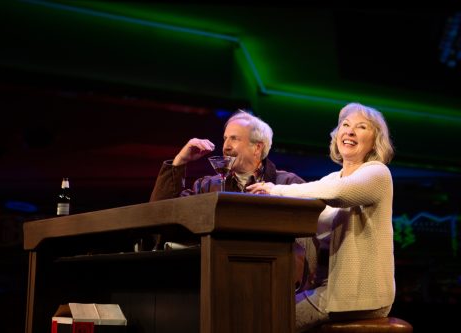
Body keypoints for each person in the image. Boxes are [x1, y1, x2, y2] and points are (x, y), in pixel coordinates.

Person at [247, 102, 395, 332]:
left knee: (271, 319)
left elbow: (338, 194)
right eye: (345, 125)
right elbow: (309, 206)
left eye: (361, 127)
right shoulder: (332, 178)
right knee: (262, 307)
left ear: (375, 140)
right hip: (330, 290)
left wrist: (276, 189)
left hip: (360, 295)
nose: (350, 131)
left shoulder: (377, 173)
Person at [149, 109, 311, 290]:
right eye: (225, 138)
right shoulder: (208, 186)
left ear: (257, 147)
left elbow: (309, 242)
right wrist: (180, 161)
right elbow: (161, 215)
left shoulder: (287, 183)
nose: (225, 146)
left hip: (269, 284)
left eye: (234, 138)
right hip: (215, 283)